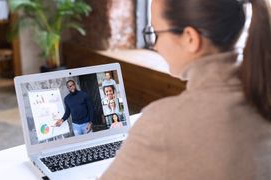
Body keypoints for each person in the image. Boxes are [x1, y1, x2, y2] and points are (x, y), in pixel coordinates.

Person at [101, 0, 271, 179]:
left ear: (190, 38)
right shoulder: (262, 96)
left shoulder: (162, 124)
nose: (155, 45)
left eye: (156, 33)